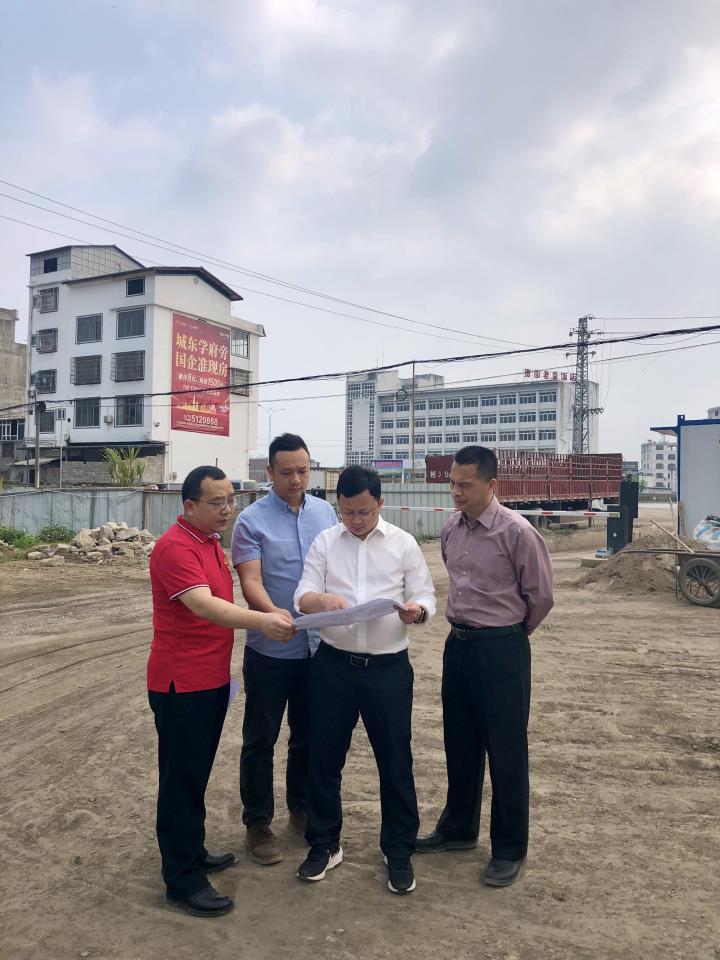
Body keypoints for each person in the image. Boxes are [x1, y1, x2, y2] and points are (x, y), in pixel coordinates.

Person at [148, 465, 296, 918]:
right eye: (217, 502)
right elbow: (204, 605)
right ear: (189, 505)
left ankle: (192, 852)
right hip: (180, 684)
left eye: (231, 500)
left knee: (195, 775)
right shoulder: (175, 547)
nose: (228, 509)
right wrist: (264, 621)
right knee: (181, 781)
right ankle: (182, 880)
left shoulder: (209, 542)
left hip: (211, 680)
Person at [293, 465, 436, 895]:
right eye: (347, 512)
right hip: (333, 666)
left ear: (380, 503)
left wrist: (416, 611)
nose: (355, 520)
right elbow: (302, 595)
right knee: (324, 757)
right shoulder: (325, 541)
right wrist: (320, 600)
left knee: (395, 761)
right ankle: (324, 843)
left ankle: (398, 849)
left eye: (364, 512)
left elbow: (426, 595)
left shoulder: (403, 543)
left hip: (388, 669)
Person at [415, 446, 554, 887]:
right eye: (452, 483)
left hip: (501, 650)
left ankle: (509, 849)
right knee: (460, 741)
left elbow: (541, 597)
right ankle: (458, 828)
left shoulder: (517, 531)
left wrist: (508, 637)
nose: (456, 492)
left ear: (491, 485)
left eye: (465, 485)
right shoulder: (451, 528)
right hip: (458, 645)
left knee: (506, 750)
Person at [231, 434, 337, 865]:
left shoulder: (325, 513)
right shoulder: (250, 521)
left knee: (308, 735)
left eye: (303, 471)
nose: (296, 480)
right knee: (261, 738)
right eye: (287, 472)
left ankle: (301, 808)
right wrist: (272, 614)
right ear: (270, 472)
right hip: (270, 651)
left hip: (318, 648)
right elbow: (251, 580)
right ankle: (257, 823)